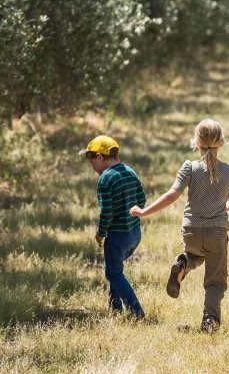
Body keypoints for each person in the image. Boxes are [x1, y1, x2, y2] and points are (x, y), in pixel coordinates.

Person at [130, 118, 229, 333]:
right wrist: (218, 204)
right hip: (217, 232)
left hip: (191, 230)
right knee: (215, 281)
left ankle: (182, 264)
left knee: (197, 255)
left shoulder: (189, 167)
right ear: (221, 143)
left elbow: (172, 194)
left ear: (196, 143)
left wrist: (144, 211)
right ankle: (210, 322)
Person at [81, 134, 146, 319]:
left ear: (100, 157)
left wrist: (101, 233)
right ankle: (115, 309)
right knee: (115, 270)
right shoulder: (130, 171)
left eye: (91, 159)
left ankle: (137, 313)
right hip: (134, 234)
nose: (91, 165)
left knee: (114, 274)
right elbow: (141, 199)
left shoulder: (105, 179)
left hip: (117, 236)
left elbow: (106, 213)